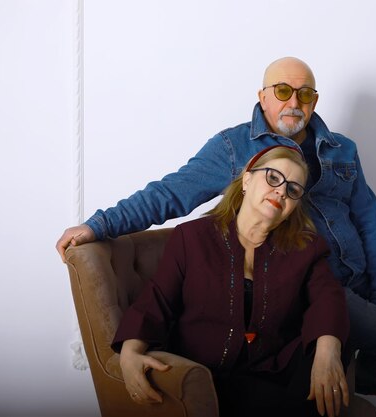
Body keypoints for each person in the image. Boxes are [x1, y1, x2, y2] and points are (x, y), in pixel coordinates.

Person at [57, 56, 376, 417]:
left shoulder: (342, 149)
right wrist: (99, 225)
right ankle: (342, 360)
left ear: (314, 101)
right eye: (282, 91)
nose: (294, 101)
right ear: (262, 96)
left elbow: (370, 223)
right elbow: (169, 193)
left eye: (305, 94)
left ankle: (352, 375)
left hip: (359, 279)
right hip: (308, 281)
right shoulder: (233, 147)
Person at [112, 145, 350, 417]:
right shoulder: (192, 238)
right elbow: (156, 300)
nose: (282, 191)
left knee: (335, 337)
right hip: (209, 375)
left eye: (293, 189)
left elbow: (327, 296)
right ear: (247, 179)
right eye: (273, 178)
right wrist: (130, 352)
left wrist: (328, 350)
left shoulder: (306, 247)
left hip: (273, 370)